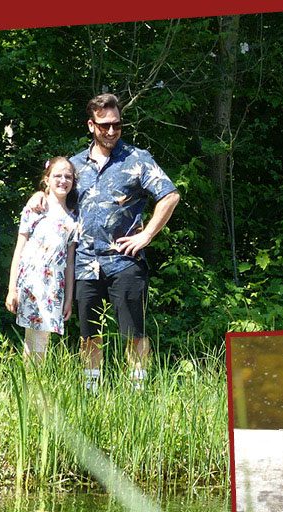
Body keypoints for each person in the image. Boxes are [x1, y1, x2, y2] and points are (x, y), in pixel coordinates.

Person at [71, 94, 180, 390]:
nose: (111, 131)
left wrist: (146, 236)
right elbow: (56, 195)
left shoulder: (137, 158)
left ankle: (137, 391)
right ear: (91, 125)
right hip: (84, 263)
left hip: (125, 262)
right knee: (89, 333)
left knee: (134, 331)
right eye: (104, 125)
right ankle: (90, 390)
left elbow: (170, 195)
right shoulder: (75, 165)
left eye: (116, 125)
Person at [6, 158, 78, 360]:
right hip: (30, 282)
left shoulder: (73, 218)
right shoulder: (35, 209)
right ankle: (30, 385)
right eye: (57, 176)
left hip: (54, 285)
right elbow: (19, 249)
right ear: (47, 179)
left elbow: (70, 262)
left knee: (42, 340)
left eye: (68, 177)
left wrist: (69, 298)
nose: (63, 180)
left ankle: (35, 384)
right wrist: (12, 288)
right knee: (33, 339)